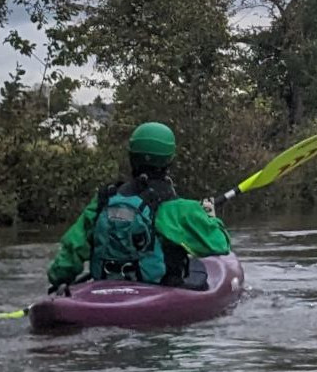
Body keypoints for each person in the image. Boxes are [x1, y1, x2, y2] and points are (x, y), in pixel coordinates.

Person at [47, 122, 231, 292]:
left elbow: (72, 249)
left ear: (131, 157)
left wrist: (59, 280)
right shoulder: (180, 209)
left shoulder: (105, 199)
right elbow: (219, 245)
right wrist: (210, 216)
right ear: (169, 160)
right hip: (156, 294)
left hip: (104, 289)